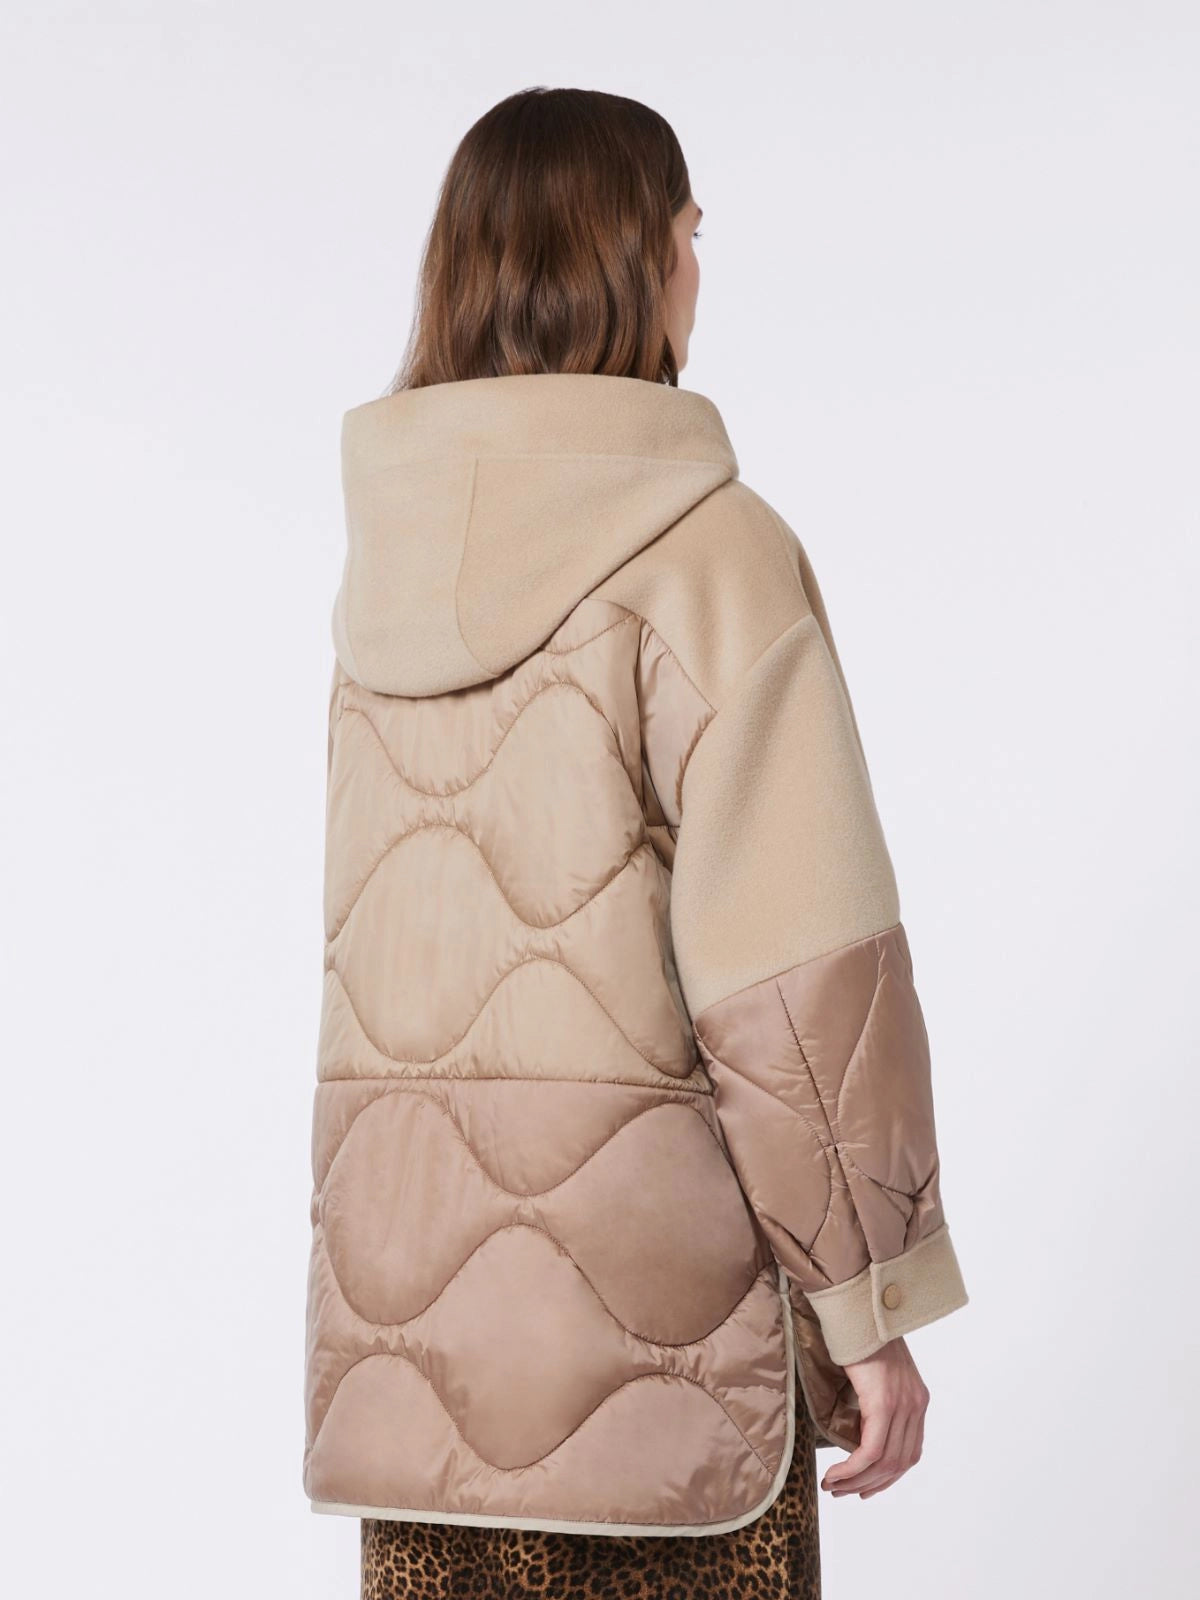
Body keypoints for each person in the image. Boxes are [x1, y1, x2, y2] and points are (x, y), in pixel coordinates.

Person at [302, 86, 969, 1600]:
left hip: (415, 1378)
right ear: (635, 258)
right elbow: (792, 985)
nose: (695, 266)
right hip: (670, 1374)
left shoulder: (382, 570)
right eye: (689, 231)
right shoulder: (712, 552)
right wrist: (866, 1302)